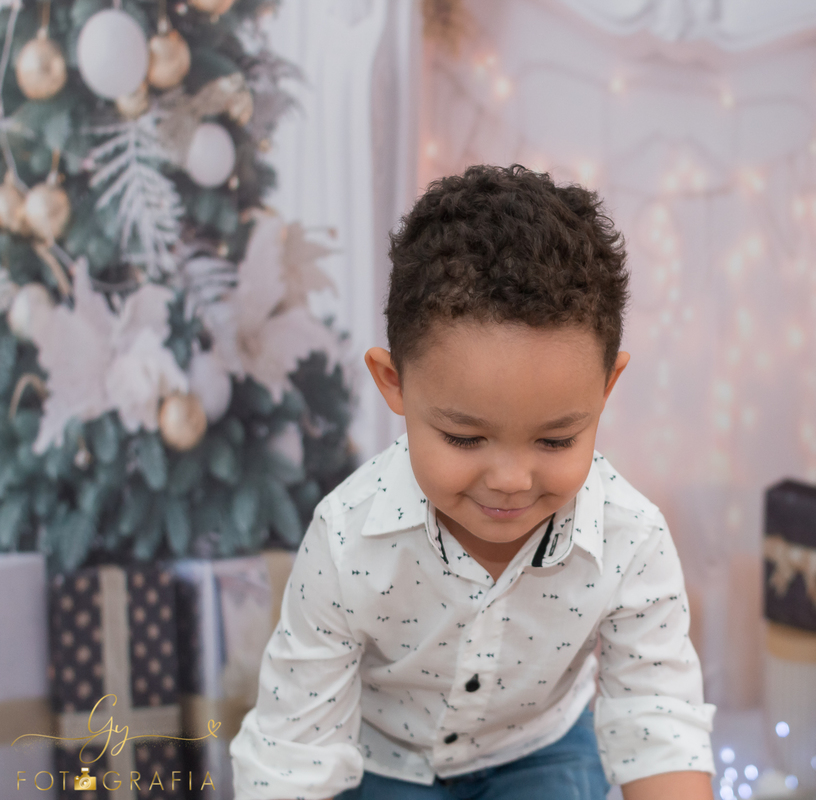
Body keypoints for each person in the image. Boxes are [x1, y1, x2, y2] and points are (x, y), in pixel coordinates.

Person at [230, 164, 716, 800]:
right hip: (384, 759)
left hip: (540, 751)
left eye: (555, 440)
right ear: (393, 383)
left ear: (606, 389)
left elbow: (658, 719)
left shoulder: (632, 537)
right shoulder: (347, 541)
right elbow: (293, 752)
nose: (512, 480)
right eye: (464, 439)